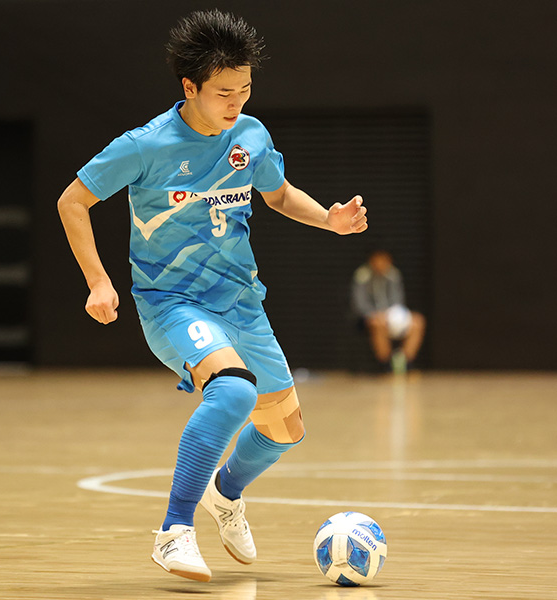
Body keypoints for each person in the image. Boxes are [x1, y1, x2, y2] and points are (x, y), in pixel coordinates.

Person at [57, 9, 368, 583]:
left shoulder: (250, 134)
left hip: (243, 303)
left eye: (246, 89)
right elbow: (72, 202)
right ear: (189, 87)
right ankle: (174, 532)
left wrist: (329, 219)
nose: (237, 103)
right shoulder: (145, 145)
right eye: (224, 92)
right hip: (173, 303)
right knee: (231, 394)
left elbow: (277, 197)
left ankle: (225, 494)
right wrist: (98, 281)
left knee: (286, 429)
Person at [351, 249, 425, 371]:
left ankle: (405, 362)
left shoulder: (393, 275)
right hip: (369, 317)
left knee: (418, 321)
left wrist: (392, 315)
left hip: (392, 316)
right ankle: (386, 364)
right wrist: (374, 314)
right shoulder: (362, 276)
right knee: (378, 324)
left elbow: (398, 300)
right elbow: (359, 303)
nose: (380, 264)